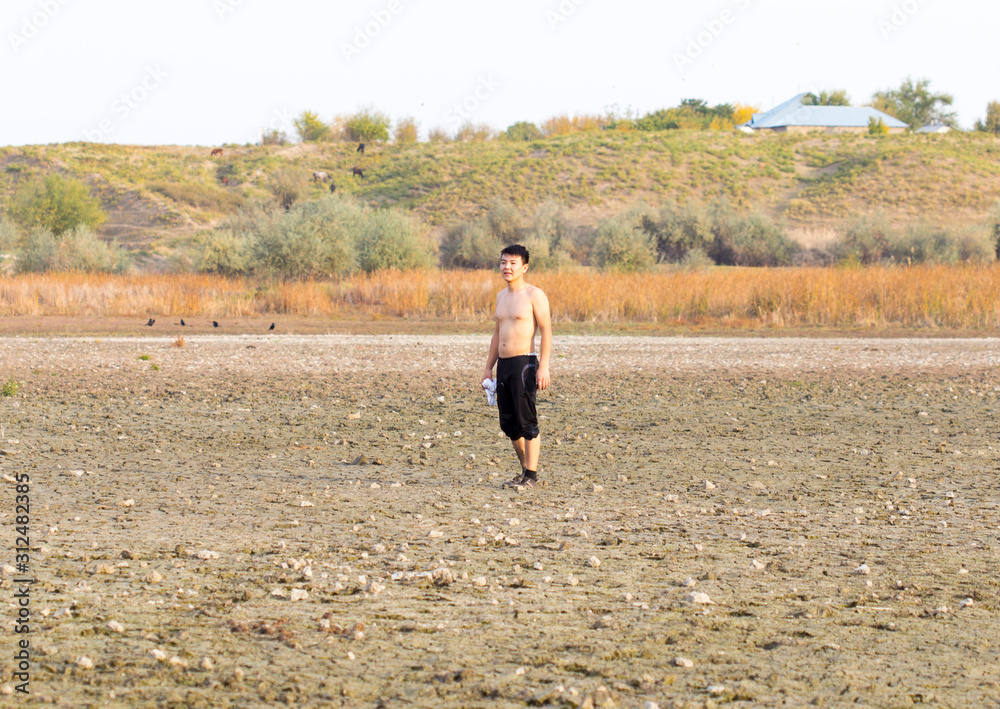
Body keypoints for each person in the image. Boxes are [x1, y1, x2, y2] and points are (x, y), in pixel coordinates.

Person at [482, 244, 552, 489]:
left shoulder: (535, 295)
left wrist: (544, 367)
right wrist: (488, 367)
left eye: (512, 263)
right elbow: (496, 334)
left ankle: (531, 477)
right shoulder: (501, 296)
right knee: (509, 424)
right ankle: (525, 470)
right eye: (503, 262)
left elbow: (547, 331)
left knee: (527, 422)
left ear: (524, 267)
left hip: (525, 363)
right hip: (504, 365)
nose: (507, 267)